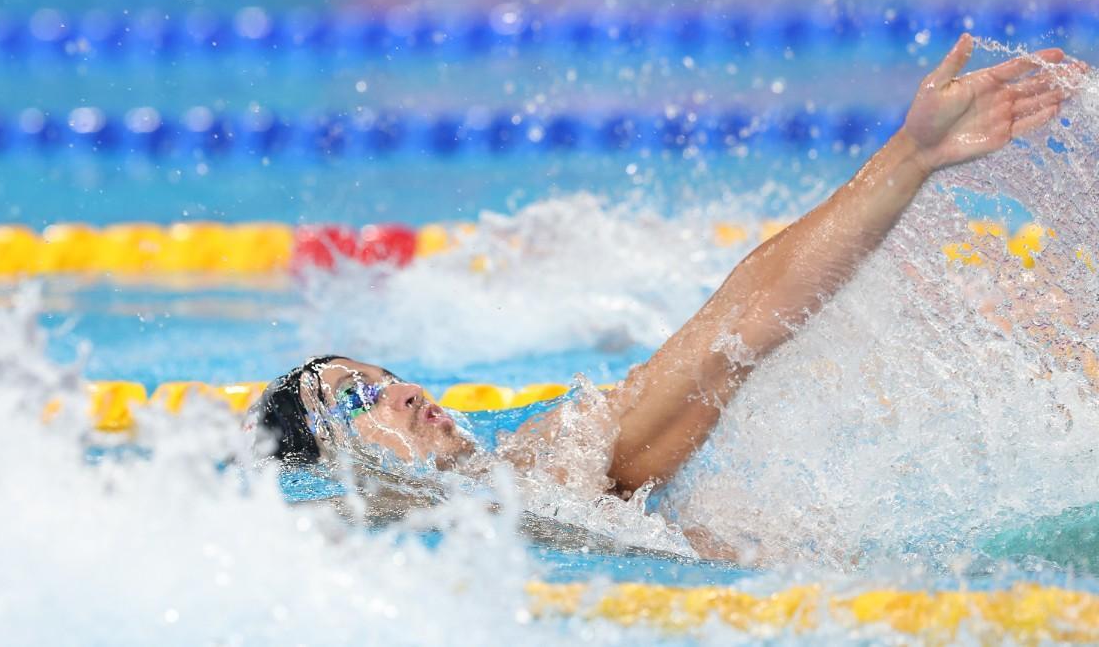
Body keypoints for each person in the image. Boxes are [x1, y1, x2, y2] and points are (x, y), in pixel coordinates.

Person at [257, 35, 1083, 518]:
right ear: (323, 465)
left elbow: (734, 330)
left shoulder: (538, 467)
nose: (400, 391)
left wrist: (911, 157)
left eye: (384, 377)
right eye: (356, 399)